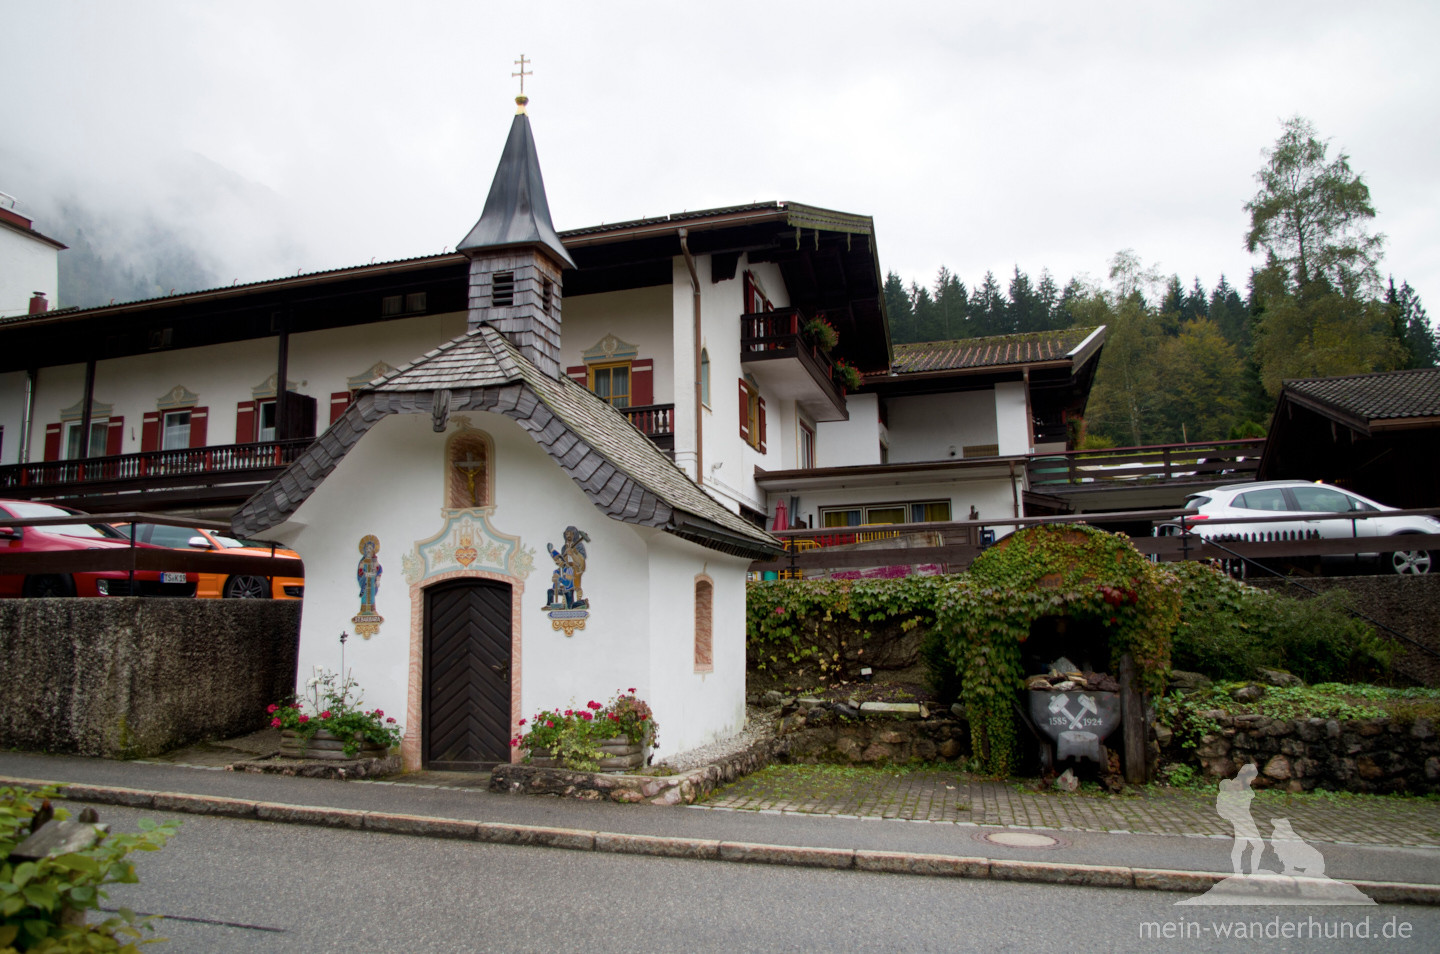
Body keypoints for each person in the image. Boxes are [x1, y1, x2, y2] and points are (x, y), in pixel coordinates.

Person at [1216, 763, 1264, 875]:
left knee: (1254, 846)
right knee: (1243, 845)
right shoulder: (1235, 787)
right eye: (1252, 776)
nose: (1254, 779)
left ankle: (1249, 870)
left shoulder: (1245, 785)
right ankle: (1240, 870)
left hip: (1246, 819)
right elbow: (1227, 804)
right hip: (1240, 819)